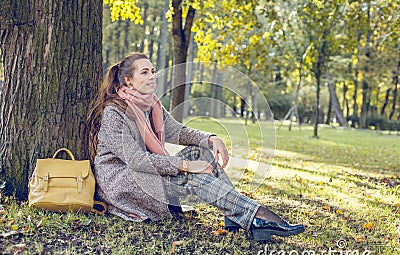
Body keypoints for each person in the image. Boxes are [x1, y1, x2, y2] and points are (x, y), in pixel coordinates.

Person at [87, 52, 304, 241]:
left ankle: (236, 216)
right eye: (144, 72)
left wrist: (211, 138)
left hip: (147, 173)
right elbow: (136, 159)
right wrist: (185, 165)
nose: (152, 76)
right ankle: (257, 216)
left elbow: (178, 131)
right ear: (128, 80)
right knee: (193, 173)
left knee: (201, 153)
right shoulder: (114, 112)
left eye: (152, 70)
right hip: (125, 181)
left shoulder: (151, 105)